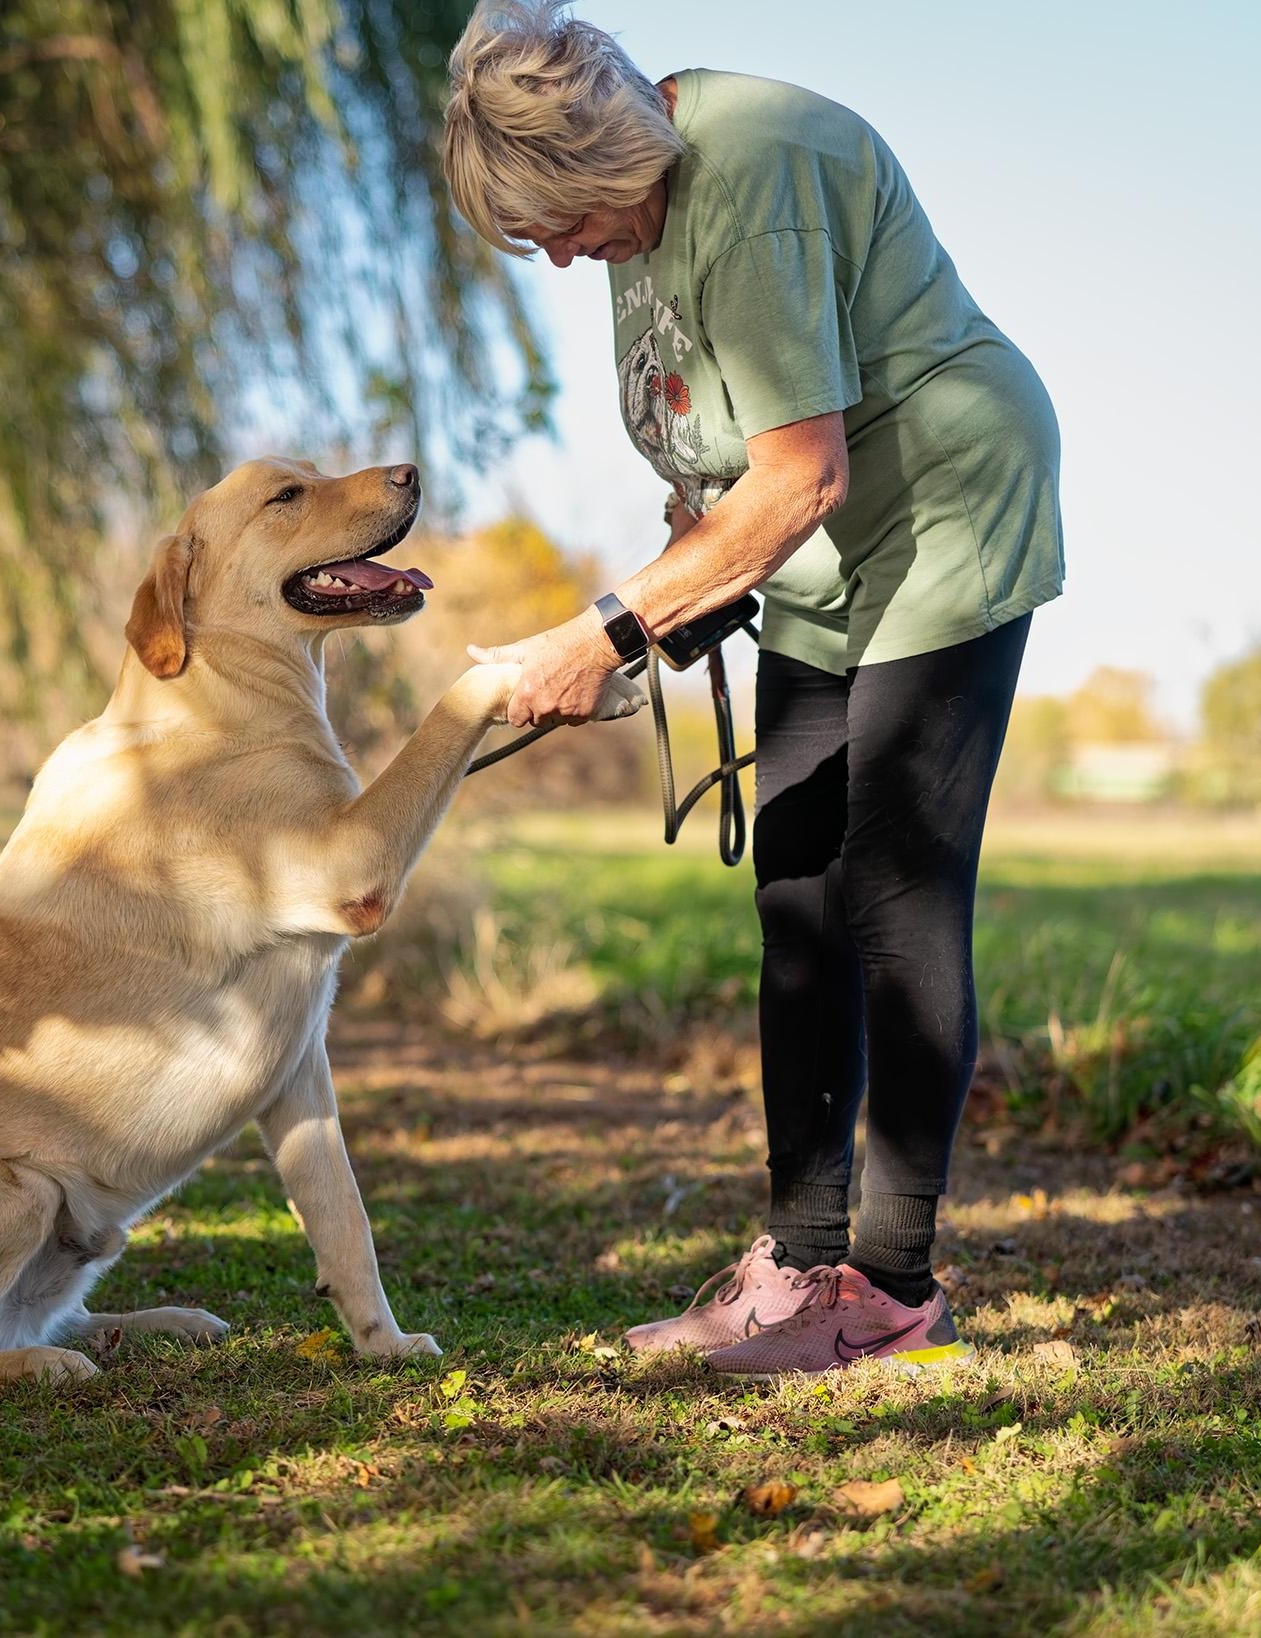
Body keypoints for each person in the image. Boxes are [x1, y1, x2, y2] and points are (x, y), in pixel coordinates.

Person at [443, 0, 1064, 1377]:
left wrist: (596, 634)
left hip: (943, 504)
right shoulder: (630, 204)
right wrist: (670, 596)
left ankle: (887, 1289)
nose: (553, 253)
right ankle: (795, 1263)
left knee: (894, 884)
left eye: (551, 221)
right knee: (792, 878)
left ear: (606, 151)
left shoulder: (755, 171)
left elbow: (799, 473)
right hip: (822, 544)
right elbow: (722, 468)